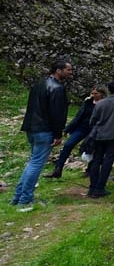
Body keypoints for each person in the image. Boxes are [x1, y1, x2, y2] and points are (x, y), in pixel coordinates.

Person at [12, 60, 72, 210]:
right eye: (68, 70)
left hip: (31, 128)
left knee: (32, 162)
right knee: (36, 164)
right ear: (58, 70)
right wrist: (58, 135)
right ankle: (25, 200)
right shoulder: (57, 88)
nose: (71, 73)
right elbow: (57, 114)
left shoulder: (39, 84)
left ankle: (17, 197)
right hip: (44, 130)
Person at [44, 85, 106, 179]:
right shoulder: (88, 102)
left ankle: (90, 170)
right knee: (68, 145)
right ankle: (58, 169)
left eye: (96, 93)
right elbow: (79, 116)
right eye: (92, 93)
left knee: (92, 148)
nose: (93, 95)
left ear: (102, 94)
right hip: (82, 127)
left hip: (95, 129)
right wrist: (68, 128)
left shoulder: (105, 104)